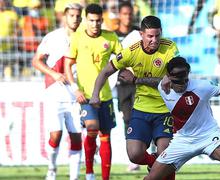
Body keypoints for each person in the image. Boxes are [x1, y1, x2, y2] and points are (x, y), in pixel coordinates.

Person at [89, 15, 179, 180]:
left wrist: (137, 80)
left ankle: (159, 165)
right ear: (141, 34)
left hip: (165, 109)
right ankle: (153, 162)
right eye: (150, 36)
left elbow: (172, 81)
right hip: (141, 109)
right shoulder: (131, 52)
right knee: (134, 155)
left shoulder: (170, 48)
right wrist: (95, 94)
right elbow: (105, 71)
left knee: (166, 155)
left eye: (158, 35)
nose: (154, 40)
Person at [64, 3, 122, 180]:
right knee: (92, 128)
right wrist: (75, 89)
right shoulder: (77, 38)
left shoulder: (110, 38)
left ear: (102, 20)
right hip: (86, 97)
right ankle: (89, 172)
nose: (95, 24)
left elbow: (123, 58)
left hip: (105, 95)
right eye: (91, 20)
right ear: (86, 20)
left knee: (105, 135)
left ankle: (105, 177)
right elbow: (67, 64)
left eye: (98, 21)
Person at [31, 3, 83, 180]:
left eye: (78, 15)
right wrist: (53, 73)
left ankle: (74, 177)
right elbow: (36, 61)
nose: (75, 18)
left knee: (77, 137)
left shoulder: (85, 38)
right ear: (64, 17)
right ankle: (52, 168)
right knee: (56, 134)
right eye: (72, 15)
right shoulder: (53, 37)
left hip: (77, 95)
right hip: (55, 93)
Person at [114, 1, 141, 172]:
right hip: (122, 84)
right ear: (119, 15)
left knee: (142, 117)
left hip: (139, 82)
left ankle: (145, 154)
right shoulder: (112, 35)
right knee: (127, 119)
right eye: (124, 14)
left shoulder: (139, 32)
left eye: (130, 14)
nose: (127, 16)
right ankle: (133, 157)